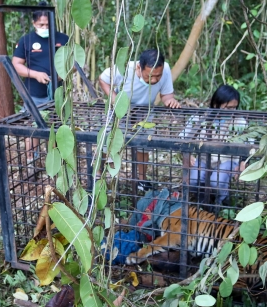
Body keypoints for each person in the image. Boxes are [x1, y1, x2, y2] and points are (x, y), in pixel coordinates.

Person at [98, 49, 181, 191]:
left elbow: (167, 95)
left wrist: (170, 101)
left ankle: (141, 180)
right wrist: (114, 100)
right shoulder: (124, 68)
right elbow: (103, 79)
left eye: (158, 76)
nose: (154, 80)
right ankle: (101, 175)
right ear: (139, 67)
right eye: (150, 76)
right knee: (110, 142)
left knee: (144, 144)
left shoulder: (165, 69)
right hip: (120, 108)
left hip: (145, 110)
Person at [12, 2, 69, 161]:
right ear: (34, 23)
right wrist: (35, 74)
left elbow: (74, 63)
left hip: (58, 94)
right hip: (34, 94)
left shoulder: (63, 39)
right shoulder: (26, 40)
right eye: (40, 24)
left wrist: (62, 74)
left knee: (56, 127)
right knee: (34, 127)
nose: (44, 27)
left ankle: (56, 161)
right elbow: (17, 64)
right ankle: (32, 160)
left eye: (47, 24)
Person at [184, 84, 247, 206]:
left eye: (234, 108)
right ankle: (203, 202)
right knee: (193, 181)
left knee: (216, 181)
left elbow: (248, 144)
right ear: (215, 104)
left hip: (227, 160)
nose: (232, 111)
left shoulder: (240, 121)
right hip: (204, 158)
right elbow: (184, 138)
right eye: (228, 107)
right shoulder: (200, 117)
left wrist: (243, 162)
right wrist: (188, 155)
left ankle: (222, 203)